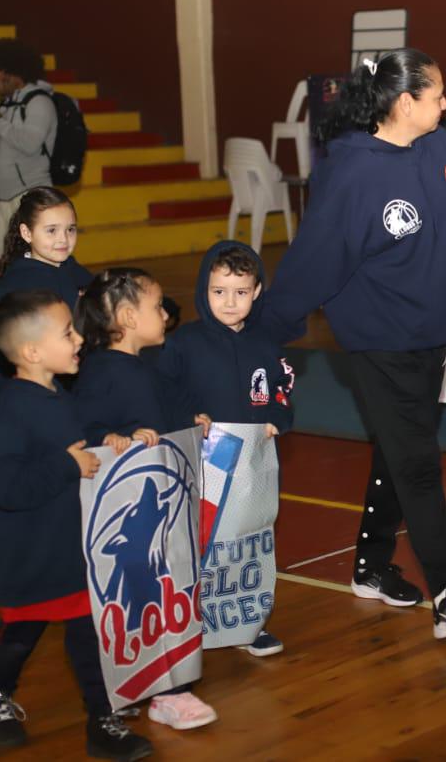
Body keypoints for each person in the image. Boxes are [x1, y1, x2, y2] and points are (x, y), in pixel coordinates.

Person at [262, 48, 446, 639]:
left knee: (397, 449)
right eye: (437, 93)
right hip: (380, 344)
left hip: (432, 334)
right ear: (404, 102)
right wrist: (262, 333)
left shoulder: (441, 148)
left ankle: (370, 564)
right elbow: (313, 263)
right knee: (417, 463)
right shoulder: (353, 173)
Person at [0, 289, 152, 759]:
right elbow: (4, 487)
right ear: (31, 352)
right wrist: (68, 465)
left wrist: (105, 441)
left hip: (72, 550)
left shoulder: (58, 395)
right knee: (18, 640)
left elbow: (73, 442)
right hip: (28, 558)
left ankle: (101, 720)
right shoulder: (9, 414)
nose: (78, 340)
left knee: (89, 638)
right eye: (67, 333)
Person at [74, 268, 217, 729]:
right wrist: (110, 438)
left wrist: (194, 421)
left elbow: (170, 411)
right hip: (128, 520)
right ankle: (157, 688)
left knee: (168, 591)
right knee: (139, 599)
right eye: (157, 307)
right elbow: (86, 428)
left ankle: (169, 687)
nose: (166, 314)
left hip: (164, 515)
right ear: (129, 317)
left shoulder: (151, 364)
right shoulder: (98, 372)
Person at [157, 240, 292, 658]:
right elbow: (163, 392)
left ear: (256, 293)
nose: (229, 302)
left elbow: (282, 388)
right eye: (219, 292)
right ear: (203, 290)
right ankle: (191, 621)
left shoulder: (266, 344)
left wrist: (278, 418)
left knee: (248, 539)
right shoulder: (183, 344)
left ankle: (247, 622)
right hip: (201, 464)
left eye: (240, 292)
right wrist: (187, 417)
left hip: (251, 465)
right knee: (200, 543)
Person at [0, 187, 91, 389]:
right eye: (51, 230)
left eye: (70, 229)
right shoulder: (20, 282)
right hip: (41, 385)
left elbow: (101, 288)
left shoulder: (68, 265)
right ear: (27, 233)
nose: (63, 239)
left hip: (71, 373)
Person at [0, 39, 58, 257]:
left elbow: (29, 144)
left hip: (31, 193)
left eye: (1, 72)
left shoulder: (40, 102)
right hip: (2, 195)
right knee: (4, 261)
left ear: (17, 72)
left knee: (37, 259)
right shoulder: (6, 105)